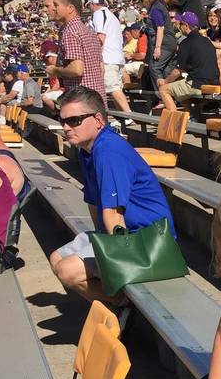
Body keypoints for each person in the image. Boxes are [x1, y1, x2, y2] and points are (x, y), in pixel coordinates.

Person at [49, 86, 176, 308]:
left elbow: (113, 215)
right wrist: (99, 241)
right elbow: (93, 203)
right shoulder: (87, 149)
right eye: (63, 121)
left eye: (74, 120)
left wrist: (114, 260)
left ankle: (126, 304)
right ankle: (116, 303)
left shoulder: (109, 151)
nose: (66, 127)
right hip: (124, 233)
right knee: (56, 259)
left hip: (150, 241)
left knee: (67, 271)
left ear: (98, 120)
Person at [49, 0, 106, 105]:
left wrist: (55, 70)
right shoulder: (88, 31)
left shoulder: (70, 32)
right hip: (97, 97)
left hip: (81, 100)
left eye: (56, 5)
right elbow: (101, 69)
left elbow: (76, 69)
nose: (53, 8)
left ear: (70, 8)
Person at [156, 12, 220, 111]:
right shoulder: (207, 41)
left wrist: (165, 81)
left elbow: (178, 71)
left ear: (186, 26)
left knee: (163, 90)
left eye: (181, 24)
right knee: (179, 87)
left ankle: (175, 119)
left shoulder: (186, 43)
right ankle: (191, 115)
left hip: (198, 84)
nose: (179, 26)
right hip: (214, 82)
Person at [88, 0, 132, 115]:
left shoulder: (98, 14)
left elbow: (100, 37)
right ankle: (123, 117)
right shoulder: (111, 15)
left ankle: (129, 115)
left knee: (113, 88)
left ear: (92, 4)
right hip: (117, 57)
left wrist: (95, 57)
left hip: (108, 57)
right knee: (115, 88)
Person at [137, 0, 177, 91]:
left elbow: (160, 28)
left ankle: (162, 94)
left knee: (154, 67)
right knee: (165, 70)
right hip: (169, 42)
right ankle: (169, 95)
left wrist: (158, 48)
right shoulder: (157, 6)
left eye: (142, 1)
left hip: (164, 43)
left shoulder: (155, 9)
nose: (142, 4)